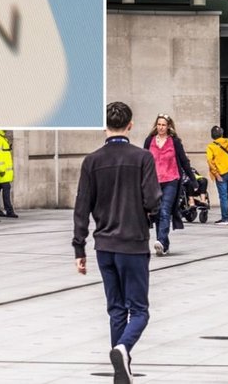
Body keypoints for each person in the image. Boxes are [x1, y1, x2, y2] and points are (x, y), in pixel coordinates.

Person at [72, 102, 161, 384]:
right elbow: (152, 200)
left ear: (104, 127)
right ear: (131, 125)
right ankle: (122, 348)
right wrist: (151, 215)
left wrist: (79, 247)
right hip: (132, 243)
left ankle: (121, 370)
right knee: (140, 310)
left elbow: (81, 207)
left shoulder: (92, 161)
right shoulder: (143, 158)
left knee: (116, 309)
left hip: (104, 245)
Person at [142, 114, 191, 256]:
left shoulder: (174, 142)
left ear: (168, 126)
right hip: (154, 182)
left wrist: (193, 179)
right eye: (158, 124)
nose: (161, 127)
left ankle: (161, 241)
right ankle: (164, 245)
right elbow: (143, 161)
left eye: (163, 125)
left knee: (165, 210)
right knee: (157, 213)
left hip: (171, 180)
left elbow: (184, 161)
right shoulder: (149, 140)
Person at [0, 129, 17, 218]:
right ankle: (9, 210)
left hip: (1, 170)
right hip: (1, 170)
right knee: (6, 187)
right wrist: (1, 168)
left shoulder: (0, 137)